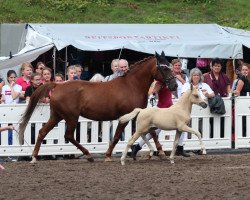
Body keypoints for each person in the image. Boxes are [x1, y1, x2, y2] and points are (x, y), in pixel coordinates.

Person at [130, 80, 173, 159]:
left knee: (154, 132)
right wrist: (156, 89)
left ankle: (137, 147)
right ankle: (137, 146)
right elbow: (152, 92)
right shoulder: (159, 83)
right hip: (161, 110)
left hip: (169, 109)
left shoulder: (169, 81)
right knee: (153, 131)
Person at [1, 70, 22, 153]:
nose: (13, 79)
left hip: (15, 110)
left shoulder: (18, 87)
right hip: (6, 111)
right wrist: (2, 102)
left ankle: (14, 150)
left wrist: (12, 87)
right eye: (11, 77)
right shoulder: (4, 87)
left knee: (13, 130)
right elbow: (3, 98)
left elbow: (14, 97)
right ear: (7, 78)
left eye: (14, 77)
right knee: (5, 130)